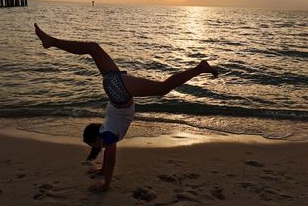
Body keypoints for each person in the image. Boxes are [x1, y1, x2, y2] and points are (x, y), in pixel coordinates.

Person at [34, 23, 218, 192]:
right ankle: (51, 42)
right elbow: (108, 156)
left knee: (163, 88)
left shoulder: (108, 136)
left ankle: (199, 68)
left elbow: (111, 158)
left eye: (94, 145)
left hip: (119, 92)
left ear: (97, 139)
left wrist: (105, 184)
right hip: (114, 87)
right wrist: (101, 171)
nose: (99, 148)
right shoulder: (106, 132)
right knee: (92, 48)